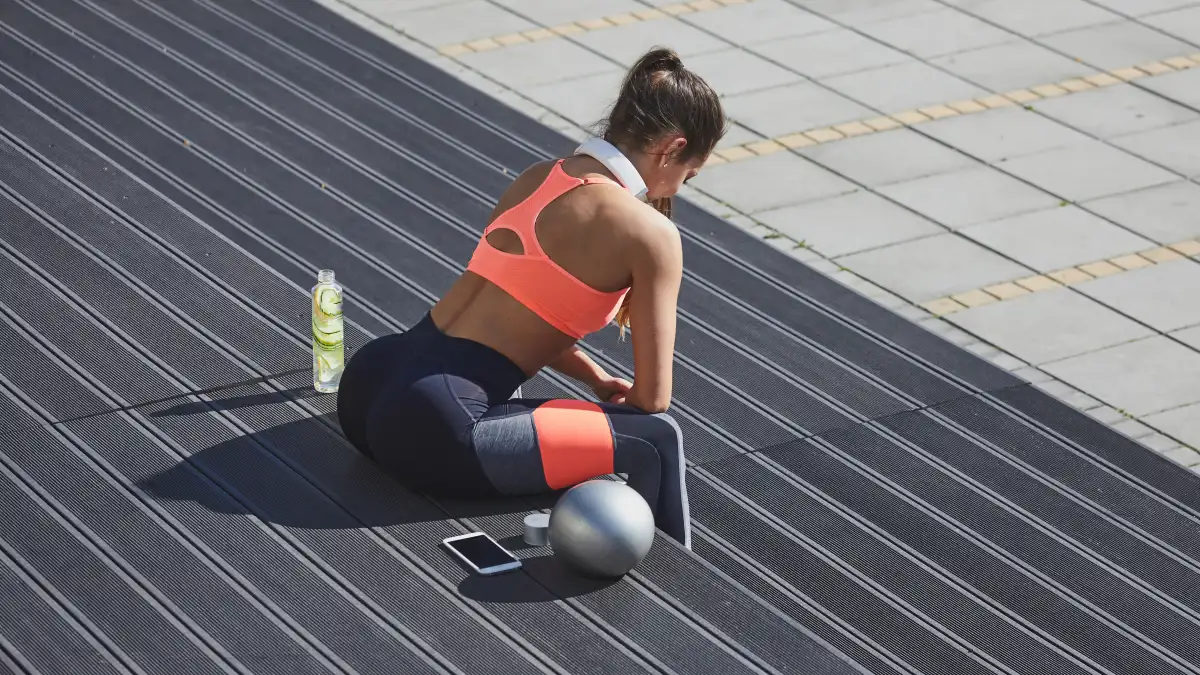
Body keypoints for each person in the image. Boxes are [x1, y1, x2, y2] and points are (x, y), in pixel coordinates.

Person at [335, 46, 726, 549]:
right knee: (657, 439)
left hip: (370, 384)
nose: (679, 187)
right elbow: (652, 400)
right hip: (434, 428)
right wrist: (619, 393)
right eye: (688, 175)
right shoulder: (649, 233)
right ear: (671, 149)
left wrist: (596, 378)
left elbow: (519, 310)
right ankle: (677, 594)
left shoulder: (539, 176)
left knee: (511, 400)